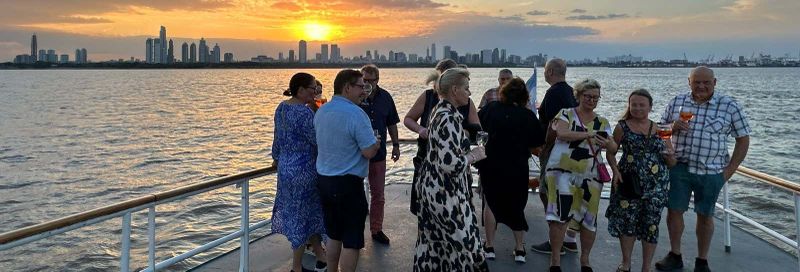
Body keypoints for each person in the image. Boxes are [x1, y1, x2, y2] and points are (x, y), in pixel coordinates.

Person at [655, 66, 750, 272]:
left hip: (711, 171)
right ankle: (675, 254)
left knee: (705, 215)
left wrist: (729, 171)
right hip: (679, 168)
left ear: (714, 83)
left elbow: (743, 139)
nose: (701, 86)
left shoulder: (729, 106)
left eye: (706, 82)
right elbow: (660, 129)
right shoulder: (677, 102)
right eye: (697, 82)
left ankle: (702, 260)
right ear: (689, 82)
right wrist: (673, 128)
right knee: (674, 212)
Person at [414, 68, 489, 271]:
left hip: (433, 189)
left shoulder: (439, 111)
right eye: (466, 88)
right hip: (446, 195)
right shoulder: (449, 118)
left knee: (435, 247)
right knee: (464, 244)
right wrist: (474, 155)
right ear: (455, 90)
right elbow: (450, 165)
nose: (470, 92)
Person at [544, 79, 616, 272]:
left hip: (591, 176)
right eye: (588, 96)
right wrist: (590, 135)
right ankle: (555, 260)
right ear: (578, 96)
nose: (591, 100)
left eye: (595, 97)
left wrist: (609, 144)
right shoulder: (566, 114)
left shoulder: (603, 122)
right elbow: (562, 134)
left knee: (589, 220)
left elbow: (613, 147)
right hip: (561, 173)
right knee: (560, 216)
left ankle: (585, 260)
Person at [314, 69, 380, 272]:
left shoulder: (322, 111)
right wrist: (376, 143)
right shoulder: (356, 114)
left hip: (324, 181)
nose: (364, 91)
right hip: (348, 185)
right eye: (361, 86)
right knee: (352, 240)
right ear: (347, 88)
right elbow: (368, 152)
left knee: (334, 235)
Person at [605, 89, 677, 272]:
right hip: (629, 182)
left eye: (641, 105)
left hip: (656, 185)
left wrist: (669, 156)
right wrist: (615, 170)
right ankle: (626, 262)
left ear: (650, 107)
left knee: (651, 225)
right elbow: (611, 152)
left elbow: (672, 161)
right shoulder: (622, 126)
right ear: (629, 106)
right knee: (627, 223)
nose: (637, 108)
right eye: (634, 104)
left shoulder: (661, 128)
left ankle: (646, 267)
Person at [477, 77, 545, 263]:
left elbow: (477, 131)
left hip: (490, 164)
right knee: (516, 205)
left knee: (490, 203)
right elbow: (537, 144)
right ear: (524, 96)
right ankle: (519, 248)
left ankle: (489, 246)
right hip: (517, 166)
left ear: (504, 93)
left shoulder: (490, 109)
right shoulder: (527, 115)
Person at [403, 59, 481, 215]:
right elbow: (408, 119)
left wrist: (461, 132)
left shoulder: (465, 102)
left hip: (454, 166)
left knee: (447, 211)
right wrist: (421, 130)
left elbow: (477, 130)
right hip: (429, 160)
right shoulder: (430, 99)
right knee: (431, 211)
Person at [271, 73, 328, 272]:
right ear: (301, 90)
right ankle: (296, 268)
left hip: (285, 170)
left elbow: (277, 139)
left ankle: (321, 257)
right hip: (304, 171)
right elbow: (317, 140)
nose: (316, 92)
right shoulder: (304, 113)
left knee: (306, 213)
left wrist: (276, 159)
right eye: (313, 88)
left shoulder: (281, 108)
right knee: (301, 219)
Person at [531, 58, 580, 256]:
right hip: (569, 152)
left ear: (550, 71)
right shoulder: (569, 92)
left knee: (547, 193)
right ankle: (568, 238)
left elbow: (554, 123)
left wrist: (545, 146)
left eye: (545, 70)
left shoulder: (553, 93)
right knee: (563, 195)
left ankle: (555, 241)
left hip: (554, 152)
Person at [358, 64, 400, 245]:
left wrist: (396, 145)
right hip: (357, 154)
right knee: (356, 194)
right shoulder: (355, 98)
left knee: (378, 194)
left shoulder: (386, 97)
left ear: (377, 80)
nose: (366, 84)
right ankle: (355, 230)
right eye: (363, 80)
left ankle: (376, 229)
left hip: (379, 154)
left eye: (369, 80)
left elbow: (392, 123)